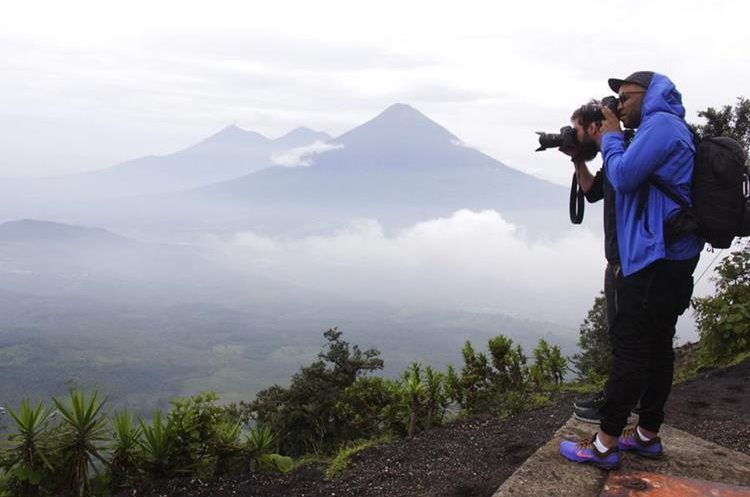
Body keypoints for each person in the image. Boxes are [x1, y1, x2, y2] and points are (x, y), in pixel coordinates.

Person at [559, 71, 702, 470]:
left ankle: (604, 446)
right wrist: (582, 155)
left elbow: (621, 175)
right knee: (656, 347)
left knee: (631, 347)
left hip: (655, 259)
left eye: (624, 97)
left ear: (646, 94)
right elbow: (606, 187)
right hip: (666, 255)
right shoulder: (654, 131)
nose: (618, 106)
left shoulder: (661, 127)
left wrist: (609, 136)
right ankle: (646, 435)